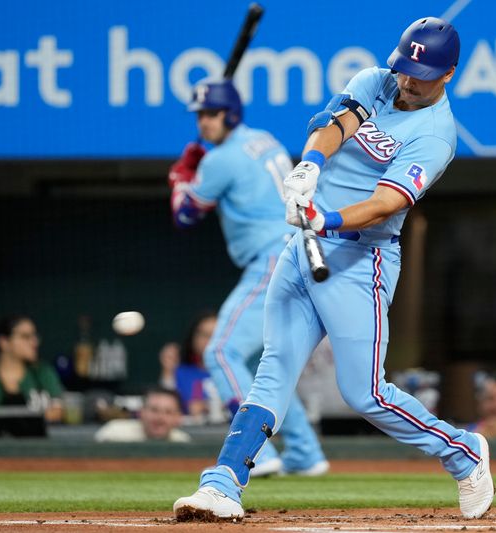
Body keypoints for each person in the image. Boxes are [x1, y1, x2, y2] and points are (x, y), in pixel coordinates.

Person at [173, 17, 494, 522]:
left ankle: (464, 453)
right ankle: (222, 484)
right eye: (405, 67)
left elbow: (386, 203)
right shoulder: (377, 79)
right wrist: (310, 168)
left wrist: (328, 218)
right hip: (303, 248)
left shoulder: (437, 135)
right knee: (272, 369)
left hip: (360, 261)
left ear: (448, 73)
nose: (408, 80)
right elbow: (336, 125)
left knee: (365, 394)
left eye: (421, 73)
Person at [167, 77, 328, 477]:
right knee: (263, 366)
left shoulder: (220, 159)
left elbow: (185, 215)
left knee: (219, 352)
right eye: (200, 115)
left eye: (211, 114)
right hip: (302, 249)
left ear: (231, 113)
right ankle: (305, 453)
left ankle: (257, 452)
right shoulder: (263, 138)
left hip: (274, 256)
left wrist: (182, 176)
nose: (204, 122)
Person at [0, 314, 64, 422]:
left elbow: (58, 412)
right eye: (25, 337)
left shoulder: (43, 373)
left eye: (34, 336)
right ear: (4, 342)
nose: (34, 342)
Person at [95, 387, 190, 442]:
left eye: (168, 412)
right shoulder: (113, 433)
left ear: (178, 418)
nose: (160, 418)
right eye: (154, 410)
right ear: (141, 413)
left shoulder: (183, 442)